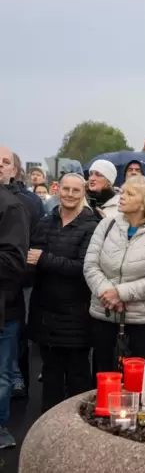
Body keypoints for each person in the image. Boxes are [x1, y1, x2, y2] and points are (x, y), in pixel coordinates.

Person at [27, 173, 98, 411]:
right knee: (51, 374)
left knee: (78, 373)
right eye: (66, 189)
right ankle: (48, 429)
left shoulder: (91, 225)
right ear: (58, 191)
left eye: (75, 190)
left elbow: (84, 268)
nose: (69, 194)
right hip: (45, 311)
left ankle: (78, 429)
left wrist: (45, 259)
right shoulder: (46, 221)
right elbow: (30, 259)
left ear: (83, 193)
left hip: (76, 313)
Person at [84, 176, 145, 371]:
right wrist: (108, 293)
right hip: (103, 315)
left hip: (140, 321)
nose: (121, 197)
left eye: (129, 194)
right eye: (122, 192)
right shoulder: (106, 226)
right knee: (102, 375)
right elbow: (90, 265)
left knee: (134, 380)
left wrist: (120, 293)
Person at [0, 147, 43, 400]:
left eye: (4, 162)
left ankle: (20, 382)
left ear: (14, 171)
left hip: (14, 290)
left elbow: (19, 254)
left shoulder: (22, 204)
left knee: (8, 361)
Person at [0, 183, 30, 449]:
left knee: (1, 375)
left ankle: (0, 429)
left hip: (3, 309)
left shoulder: (10, 205)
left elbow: (13, 261)